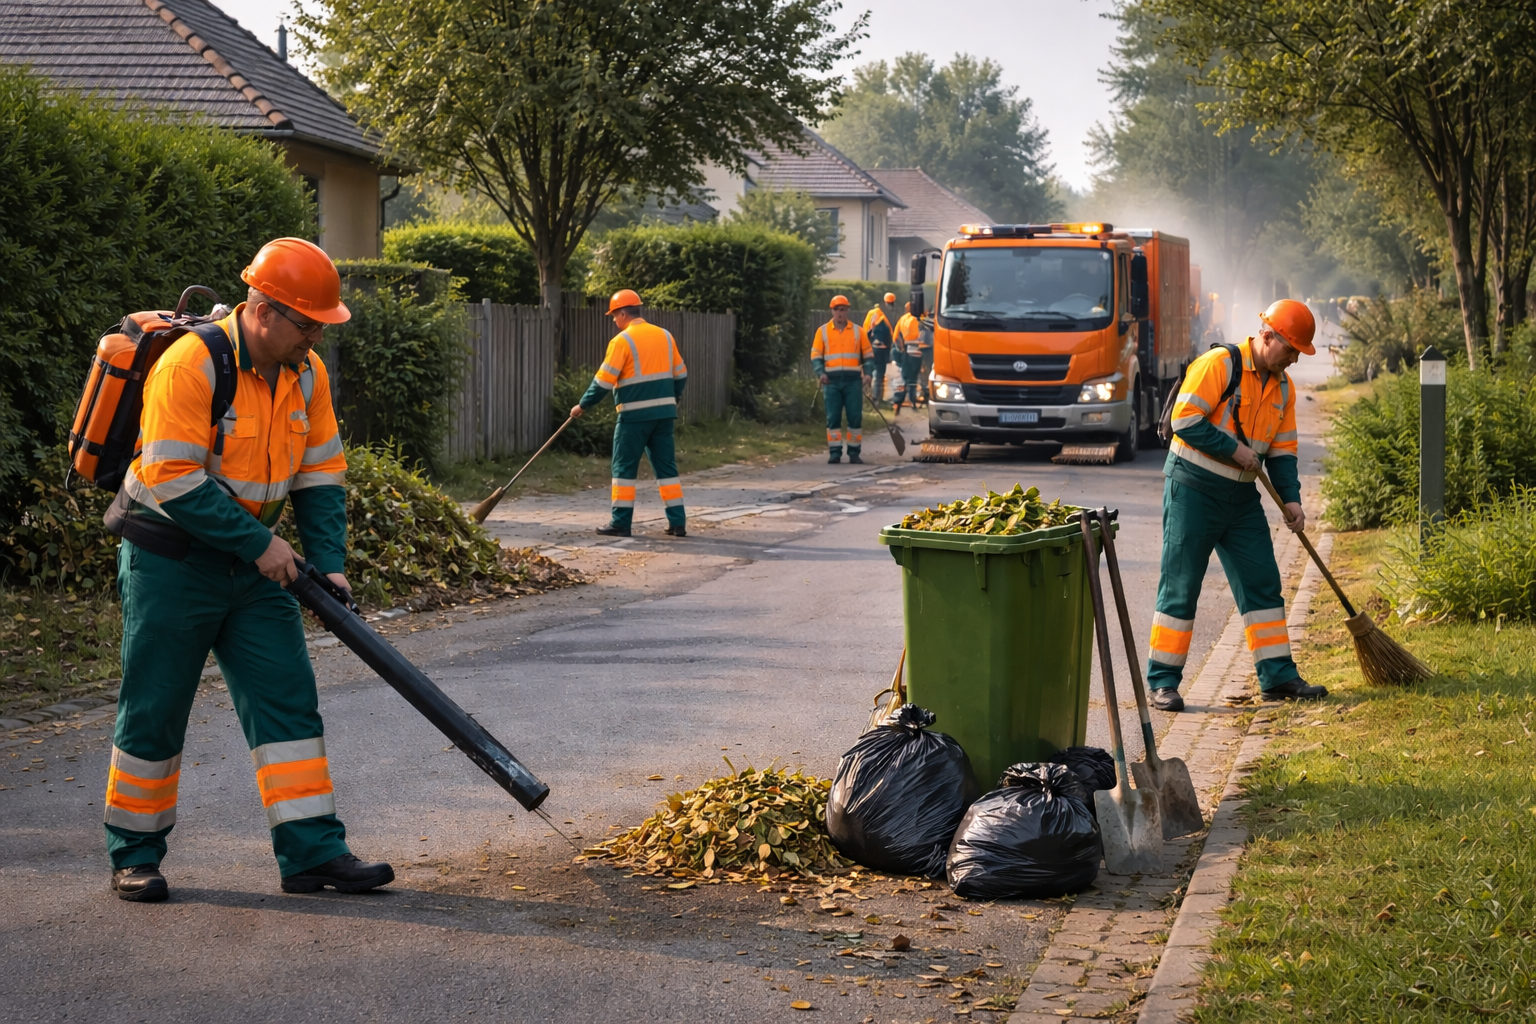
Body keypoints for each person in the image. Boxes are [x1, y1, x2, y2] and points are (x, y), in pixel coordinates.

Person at [105, 237, 394, 902]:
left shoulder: (306, 374)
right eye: (307, 322)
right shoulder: (191, 365)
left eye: (322, 324)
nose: (316, 336)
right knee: (155, 708)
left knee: (287, 702)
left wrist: (329, 563)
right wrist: (261, 546)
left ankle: (314, 854)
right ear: (263, 312)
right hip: (171, 558)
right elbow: (171, 477)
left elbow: (322, 473)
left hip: (253, 564)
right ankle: (135, 853)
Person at [1147, 299, 1328, 711]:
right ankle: (1162, 681)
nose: (1295, 360)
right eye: (1291, 350)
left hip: (1241, 501)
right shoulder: (1219, 364)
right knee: (1181, 585)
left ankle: (1278, 677)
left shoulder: (1284, 387)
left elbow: (1282, 453)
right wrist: (1234, 450)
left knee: (1262, 582)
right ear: (1266, 337)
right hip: (1192, 491)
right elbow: (1185, 420)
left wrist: (1292, 500)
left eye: (1300, 353)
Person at [572, 289, 689, 538]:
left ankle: (621, 523)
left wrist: (582, 405)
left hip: (634, 417)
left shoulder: (622, 341)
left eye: (614, 316)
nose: (614, 321)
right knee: (666, 467)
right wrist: (673, 399)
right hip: (664, 416)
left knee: (623, 468)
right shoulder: (665, 336)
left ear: (623, 313)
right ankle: (678, 523)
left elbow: (604, 381)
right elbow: (681, 374)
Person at [811, 296, 873, 463]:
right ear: (832, 311)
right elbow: (816, 356)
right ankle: (835, 452)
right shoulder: (822, 331)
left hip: (853, 382)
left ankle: (854, 453)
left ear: (847, 311)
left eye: (843, 309)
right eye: (837, 309)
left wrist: (867, 374)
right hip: (831, 382)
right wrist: (820, 372)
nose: (840, 312)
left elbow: (868, 356)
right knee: (833, 417)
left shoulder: (858, 331)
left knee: (855, 416)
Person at [863, 292, 897, 405]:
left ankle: (875, 397)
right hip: (878, 350)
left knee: (874, 374)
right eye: (890, 304)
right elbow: (874, 331)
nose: (891, 307)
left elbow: (867, 330)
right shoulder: (879, 316)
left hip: (874, 348)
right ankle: (876, 399)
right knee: (877, 375)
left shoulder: (874, 314)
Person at [891, 302, 923, 414]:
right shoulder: (918, 319)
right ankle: (913, 403)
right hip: (917, 353)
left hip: (906, 353)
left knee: (905, 378)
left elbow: (895, 337)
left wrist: (901, 348)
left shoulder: (902, 319)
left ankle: (898, 403)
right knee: (913, 379)